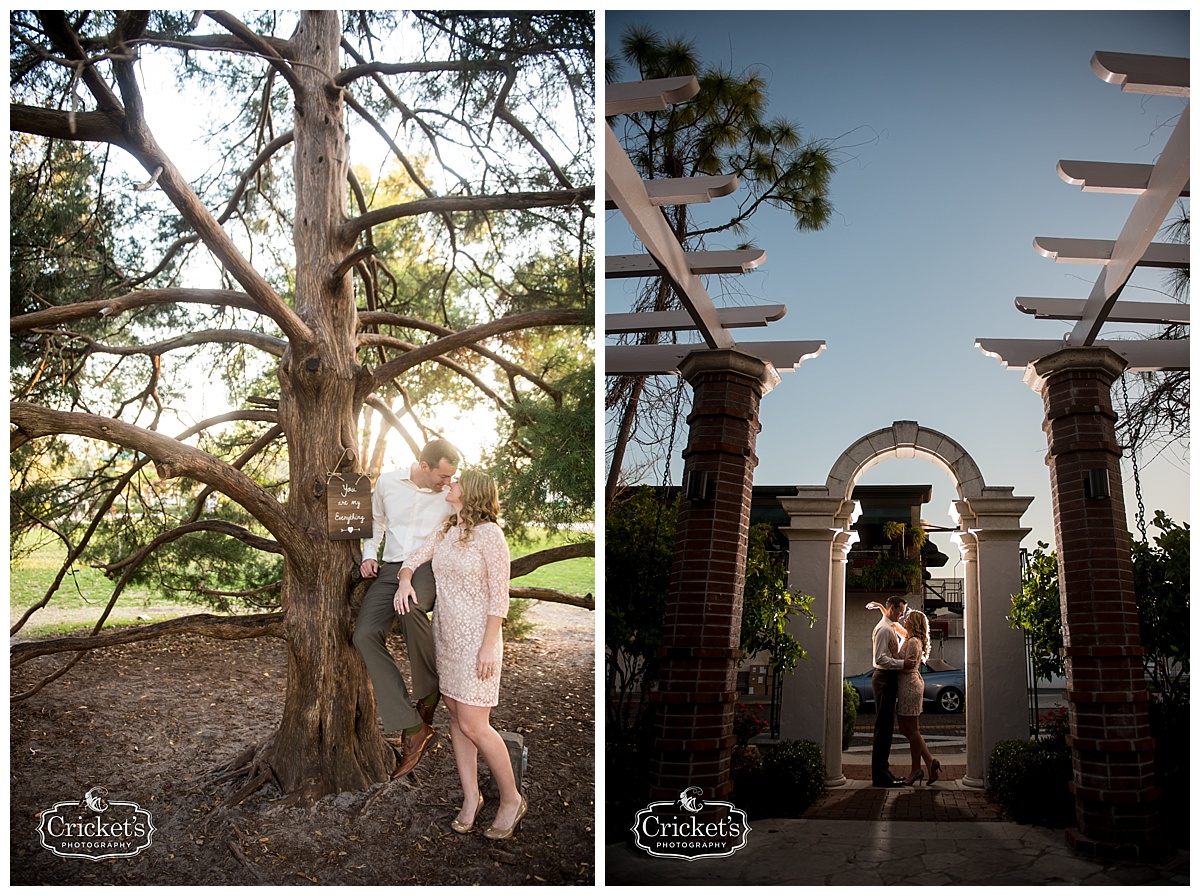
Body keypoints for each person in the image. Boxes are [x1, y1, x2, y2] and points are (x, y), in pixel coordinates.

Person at [395, 470, 526, 840]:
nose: (449, 485)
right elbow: (415, 556)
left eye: (456, 482)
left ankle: (512, 799)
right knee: (455, 717)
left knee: (474, 724)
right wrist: (405, 578)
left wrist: (489, 644)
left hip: (478, 642)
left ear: (471, 492)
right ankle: (472, 799)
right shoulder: (447, 527)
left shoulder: (491, 535)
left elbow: (500, 596)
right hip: (447, 639)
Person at [354, 440, 459, 780]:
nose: (447, 482)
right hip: (390, 568)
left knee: (410, 604)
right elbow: (376, 521)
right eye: (443, 475)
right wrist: (370, 554)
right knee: (364, 635)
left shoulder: (450, 496)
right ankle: (413, 725)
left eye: (451, 477)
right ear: (424, 465)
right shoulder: (387, 483)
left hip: (427, 568)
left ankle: (429, 692)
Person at [868, 595, 917, 787]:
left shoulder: (889, 626)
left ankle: (884, 771)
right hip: (883, 679)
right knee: (883, 728)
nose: (901, 615)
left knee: (887, 728)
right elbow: (880, 659)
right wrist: (902, 663)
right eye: (900, 611)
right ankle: (880, 776)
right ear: (892, 609)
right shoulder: (883, 630)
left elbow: (905, 633)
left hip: (888, 679)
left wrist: (881, 607)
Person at [895, 610, 942, 785]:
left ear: (913, 623)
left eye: (907, 618)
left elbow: (909, 666)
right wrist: (881, 608)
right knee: (905, 728)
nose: (904, 620)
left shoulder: (914, 642)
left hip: (910, 685)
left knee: (912, 729)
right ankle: (930, 762)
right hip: (905, 686)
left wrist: (893, 653)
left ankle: (916, 769)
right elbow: (895, 626)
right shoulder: (909, 638)